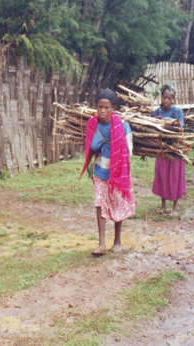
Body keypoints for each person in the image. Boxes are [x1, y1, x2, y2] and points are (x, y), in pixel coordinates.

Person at [79, 89, 135, 255]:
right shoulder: (92, 124)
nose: (102, 111)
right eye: (99, 107)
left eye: (106, 107)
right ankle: (101, 243)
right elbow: (90, 145)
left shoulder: (123, 126)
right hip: (100, 171)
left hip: (118, 172)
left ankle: (117, 241)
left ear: (113, 108)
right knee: (99, 203)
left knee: (117, 202)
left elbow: (129, 150)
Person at [152, 85, 186, 215]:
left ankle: (175, 207)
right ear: (161, 98)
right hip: (162, 149)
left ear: (173, 99)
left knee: (175, 177)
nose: (166, 100)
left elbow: (181, 126)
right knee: (162, 176)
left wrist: (166, 122)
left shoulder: (178, 112)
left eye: (169, 98)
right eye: (164, 97)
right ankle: (163, 205)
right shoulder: (157, 112)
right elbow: (152, 125)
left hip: (175, 149)